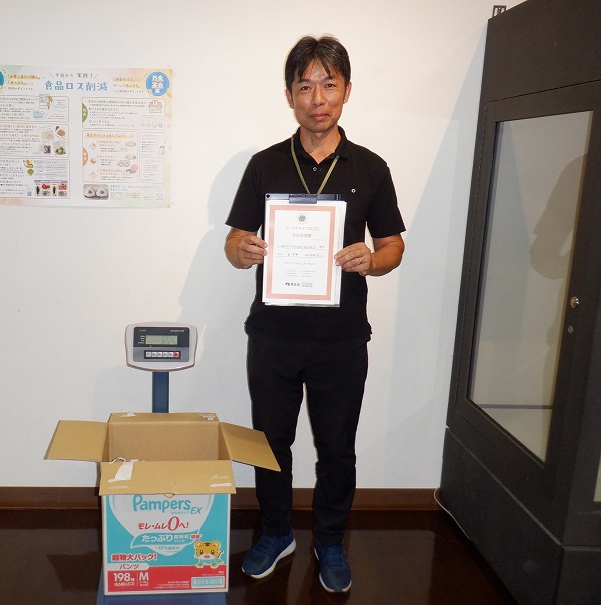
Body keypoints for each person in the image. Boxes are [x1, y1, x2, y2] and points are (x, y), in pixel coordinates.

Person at [224, 35, 405, 593]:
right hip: (273, 334)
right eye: (305, 86)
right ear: (290, 95)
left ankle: (329, 540)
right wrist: (242, 250)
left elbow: (393, 246)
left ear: (347, 91)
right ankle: (276, 533)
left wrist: (372, 260)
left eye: (329, 84)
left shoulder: (371, 168)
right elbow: (234, 240)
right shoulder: (264, 165)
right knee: (270, 443)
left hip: (341, 337)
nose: (317, 98)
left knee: (337, 447)